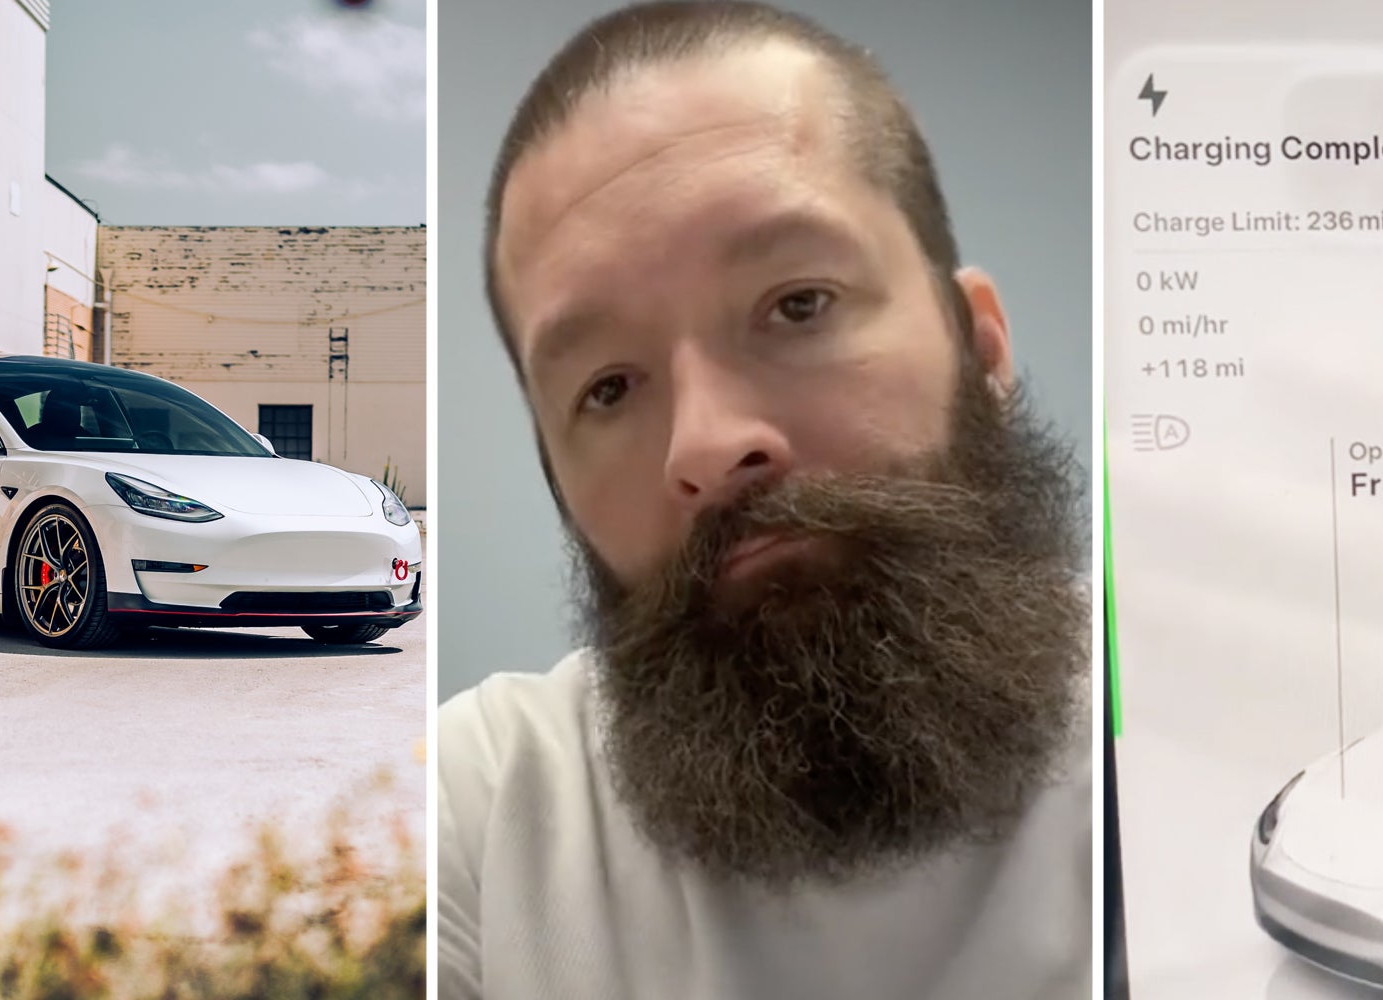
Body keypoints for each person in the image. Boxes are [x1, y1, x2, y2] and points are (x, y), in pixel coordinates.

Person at [438, 3, 1093, 998]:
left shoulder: (1211, 741)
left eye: (797, 304)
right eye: (607, 388)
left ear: (981, 349)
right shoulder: (480, 811)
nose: (704, 443)